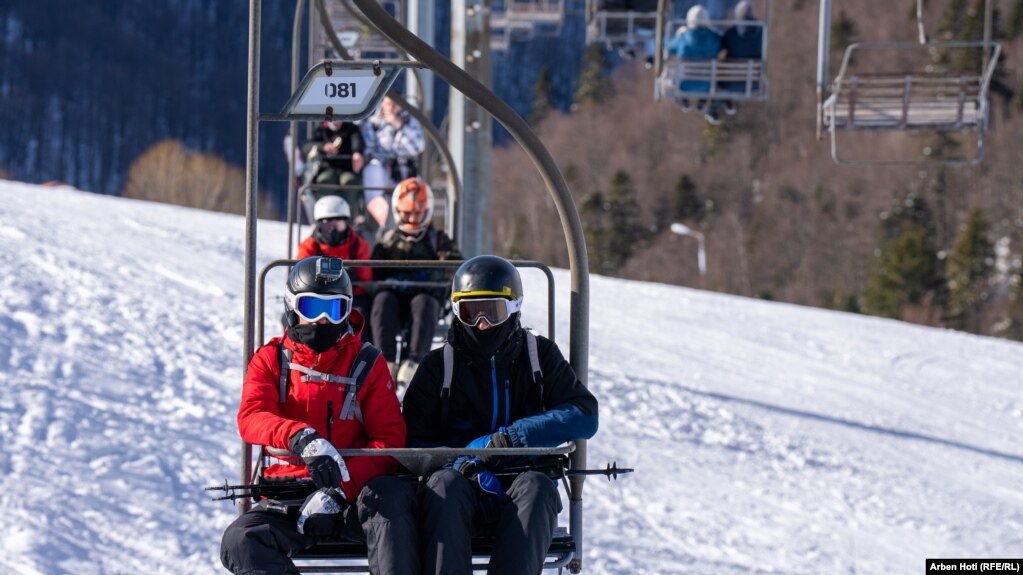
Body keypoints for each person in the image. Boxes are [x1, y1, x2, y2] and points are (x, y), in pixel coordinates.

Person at [403, 255, 600, 575]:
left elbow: (584, 414)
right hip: (460, 489)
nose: (482, 324)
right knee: (442, 486)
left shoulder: (538, 357)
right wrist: (462, 462)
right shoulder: (439, 367)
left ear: (513, 309)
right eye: (470, 312)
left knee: (539, 488)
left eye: (492, 312)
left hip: (523, 483)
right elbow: (414, 442)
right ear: (456, 312)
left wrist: (511, 439)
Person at [220, 256, 417, 575]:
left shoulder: (366, 362)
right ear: (291, 306)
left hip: (354, 495)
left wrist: (340, 488)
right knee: (240, 541)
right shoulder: (271, 360)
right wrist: (300, 438)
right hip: (292, 494)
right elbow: (252, 416)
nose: (323, 320)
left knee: (393, 501)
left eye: (335, 309)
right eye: (312, 308)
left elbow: (390, 439)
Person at [370, 177, 460, 391]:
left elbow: (453, 268)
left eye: (417, 214)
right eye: (406, 213)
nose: (411, 219)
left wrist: (424, 279)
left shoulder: (437, 241)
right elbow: (374, 270)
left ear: (426, 212)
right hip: (395, 300)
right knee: (382, 301)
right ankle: (386, 362)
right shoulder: (389, 240)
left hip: (425, 298)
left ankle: (413, 363)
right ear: (397, 211)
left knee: (423, 303)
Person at [297, 196, 372, 329]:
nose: (333, 230)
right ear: (318, 225)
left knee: (360, 316)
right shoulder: (310, 246)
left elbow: (366, 279)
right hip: (317, 297)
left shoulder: (358, 244)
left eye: (338, 224)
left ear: (346, 224)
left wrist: (348, 286)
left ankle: (358, 348)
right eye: (327, 225)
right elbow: (300, 277)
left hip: (352, 298)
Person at [360, 97, 426, 234]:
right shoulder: (373, 123)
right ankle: (379, 214)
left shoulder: (410, 122)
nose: (391, 108)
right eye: (388, 104)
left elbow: (418, 147)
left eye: (395, 104)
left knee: (416, 186)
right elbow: (369, 149)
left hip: (405, 170)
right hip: (382, 169)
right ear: (382, 104)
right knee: (372, 169)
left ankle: (410, 220)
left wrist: (400, 126)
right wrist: (387, 160)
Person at [302, 120, 369, 226]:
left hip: (346, 169)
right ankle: (326, 218)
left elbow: (358, 142)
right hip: (327, 168)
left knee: (349, 182)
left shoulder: (350, 128)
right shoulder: (321, 129)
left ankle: (348, 220)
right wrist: (323, 147)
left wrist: (357, 152)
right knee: (325, 182)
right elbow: (307, 146)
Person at [667, 5, 724, 125]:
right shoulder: (714, 38)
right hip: (707, 84)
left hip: (683, 84)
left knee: (671, 68)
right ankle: (702, 100)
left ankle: (682, 99)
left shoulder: (683, 37)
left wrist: (679, 33)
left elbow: (669, 47)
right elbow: (722, 45)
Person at [720, 0, 763, 113]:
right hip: (753, 83)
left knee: (720, 62)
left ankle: (718, 106)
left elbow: (722, 47)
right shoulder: (761, 32)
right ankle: (727, 101)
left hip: (729, 82)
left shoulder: (731, 33)